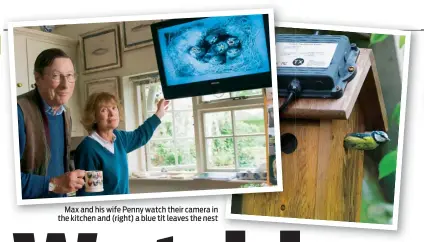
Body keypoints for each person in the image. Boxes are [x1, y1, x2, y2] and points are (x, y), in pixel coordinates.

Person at [18, 48, 85, 199]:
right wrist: (54, 184)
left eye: (69, 76)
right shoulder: (17, 112)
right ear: (38, 78)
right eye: (56, 76)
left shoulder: (65, 114)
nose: (65, 85)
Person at [75, 92, 169, 196]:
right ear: (94, 117)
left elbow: (140, 135)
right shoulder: (89, 149)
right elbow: (91, 197)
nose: (112, 113)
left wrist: (159, 113)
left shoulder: (119, 138)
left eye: (114, 108)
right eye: (104, 110)